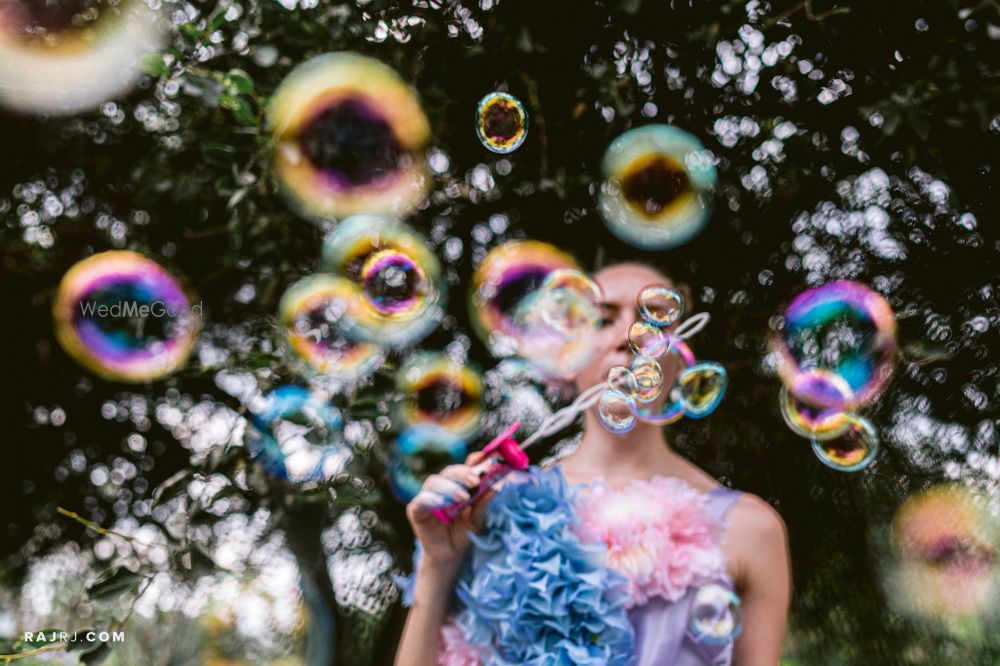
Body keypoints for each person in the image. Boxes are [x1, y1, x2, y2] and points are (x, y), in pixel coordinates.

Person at [396, 262, 792, 665]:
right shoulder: (495, 509)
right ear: (569, 356)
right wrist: (437, 564)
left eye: (651, 323)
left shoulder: (751, 528)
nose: (627, 338)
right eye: (604, 320)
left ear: (679, 359)